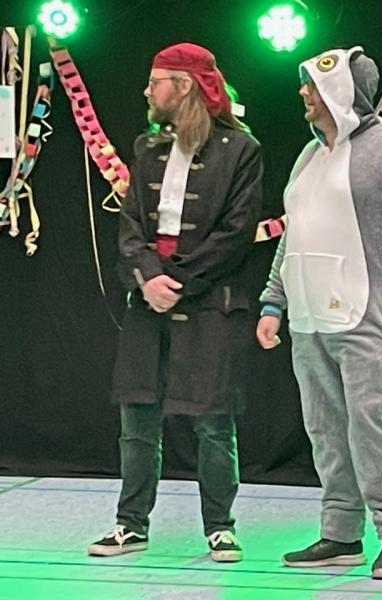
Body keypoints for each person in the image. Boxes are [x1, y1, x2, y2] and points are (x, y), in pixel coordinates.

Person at [256, 46, 382, 579]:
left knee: (371, 425)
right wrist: (274, 300)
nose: (303, 93)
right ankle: (340, 533)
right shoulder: (308, 157)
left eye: (312, 85)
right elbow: (293, 232)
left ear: (339, 90)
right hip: (308, 318)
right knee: (324, 428)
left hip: (368, 316)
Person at [88, 42, 264, 563]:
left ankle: (220, 527)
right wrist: (147, 277)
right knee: (137, 418)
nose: (147, 91)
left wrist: (176, 280)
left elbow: (235, 233)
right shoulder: (147, 147)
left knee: (213, 420)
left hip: (209, 302)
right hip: (149, 299)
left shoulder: (240, 150)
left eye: (156, 81)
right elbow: (130, 227)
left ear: (183, 86)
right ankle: (130, 523)